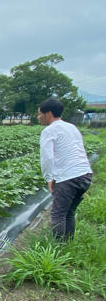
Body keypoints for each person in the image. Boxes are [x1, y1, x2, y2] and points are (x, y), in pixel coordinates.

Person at [38, 97, 92, 241]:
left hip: (69, 178)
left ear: (48, 114)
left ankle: (58, 251)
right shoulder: (71, 127)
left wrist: (49, 178)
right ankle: (68, 246)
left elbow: (47, 158)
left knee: (58, 214)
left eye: (40, 114)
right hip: (85, 175)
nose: (38, 117)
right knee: (69, 213)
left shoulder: (49, 131)